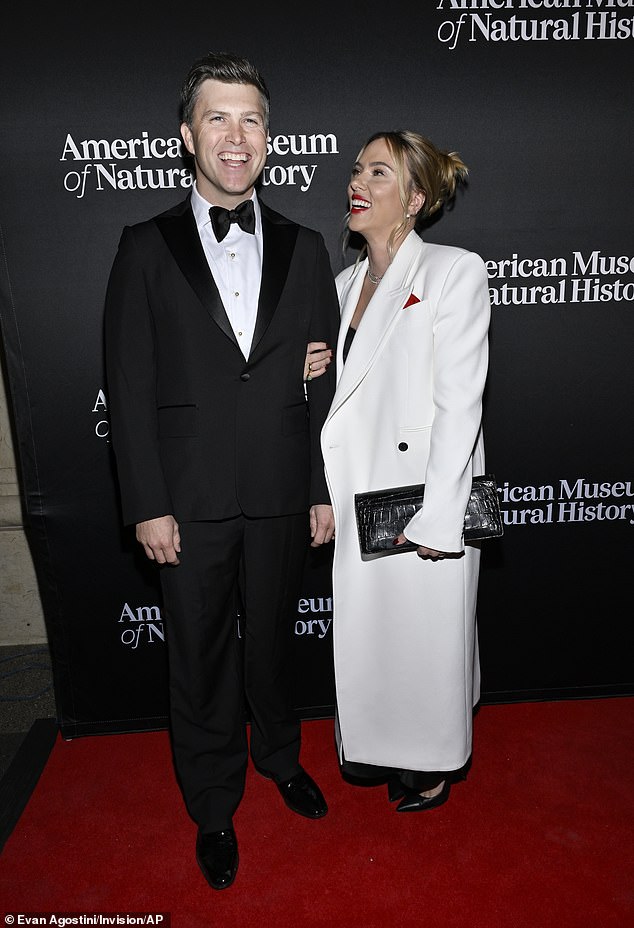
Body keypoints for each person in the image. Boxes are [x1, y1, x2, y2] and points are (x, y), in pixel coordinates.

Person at [104, 51, 339, 890]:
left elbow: (325, 385)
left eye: (251, 120)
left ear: (269, 140)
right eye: (217, 117)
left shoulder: (309, 248)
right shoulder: (143, 247)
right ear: (187, 134)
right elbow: (127, 390)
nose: (236, 137)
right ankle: (211, 802)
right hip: (189, 502)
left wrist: (319, 488)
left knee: (274, 642)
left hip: (282, 491)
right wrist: (148, 504)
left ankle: (281, 757)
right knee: (200, 658)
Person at [321, 130, 491, 812]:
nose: (359, 182)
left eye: (379, 173)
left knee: (424, 638)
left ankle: (429, 763)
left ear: (415, 199)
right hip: (357, 489)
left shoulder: (454, 270)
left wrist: (441, 517)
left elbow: (460, 403)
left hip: (424, 493)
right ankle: (376, 744)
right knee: (372, 634)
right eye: (358, 169)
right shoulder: (338, 287)